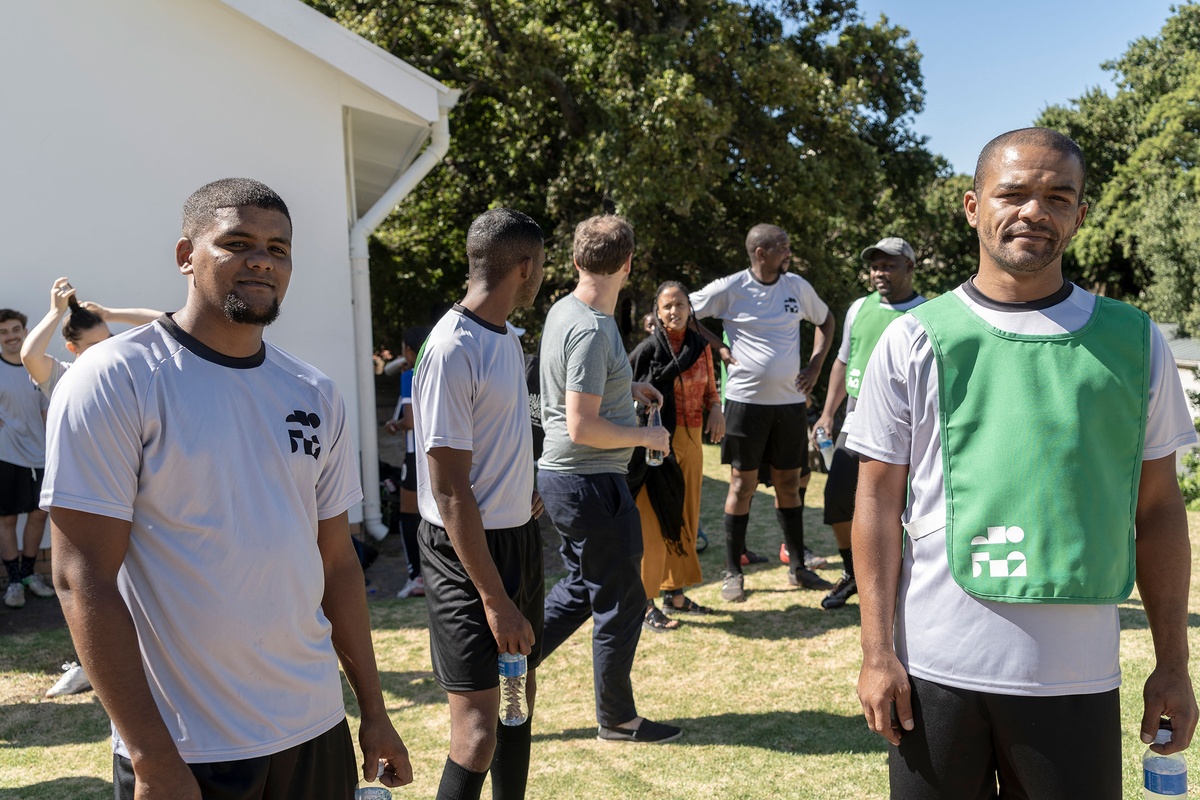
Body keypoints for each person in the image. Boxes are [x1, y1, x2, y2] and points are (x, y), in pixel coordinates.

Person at [853, 128, 1197, 798]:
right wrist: (876, 653)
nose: (1034, 211)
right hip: (935, 672)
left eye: (1057, 196)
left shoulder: (1135, 342)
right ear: (973, 206)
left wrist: (1174, 665)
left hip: (1075, 677)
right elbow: (876, 503)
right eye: (1013, 193)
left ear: (1080, 214)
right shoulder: (915, 338)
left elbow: (1158, 511)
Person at [42, 178, 411, 799]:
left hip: (314, 730)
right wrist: (151, 755)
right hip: (188, 748)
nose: (262, 259)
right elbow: (81, 577)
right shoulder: (114, 379)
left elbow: (337, 562)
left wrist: (372, 711)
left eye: (278, 248)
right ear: (186, 255)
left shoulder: (313, 393)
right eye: (237, 242)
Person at [412, 208, 546, 800]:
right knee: (476, 732)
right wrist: (494, 600)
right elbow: (447, 488)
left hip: (517, 538)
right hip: (464, 552)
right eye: (541, 265)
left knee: (518, 706)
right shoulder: (450, 347)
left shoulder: (508, 339)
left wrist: (524, 486)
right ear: (525, 267)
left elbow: (491, 444)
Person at [538, 214, 681, 744]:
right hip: (589, 481)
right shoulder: (594, 330)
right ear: (627, 264)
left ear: (576, 261)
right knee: (621, 600)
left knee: (582, 587)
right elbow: (580, 426)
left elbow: (578, 396)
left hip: (567, 481)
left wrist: (630, 390)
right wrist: (647, 438)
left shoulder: (565, 310)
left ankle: (498, 668)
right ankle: (618, 720)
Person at [20, 276, 162, 697]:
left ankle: (144, 661)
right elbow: (29, 354)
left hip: (131, 490)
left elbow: (162, 322)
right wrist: (55, 313)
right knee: (88, 581)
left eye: (110, 339)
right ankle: (90, 664)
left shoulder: (126, 373)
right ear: (73, 349)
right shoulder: (61, 375)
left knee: (134, 578)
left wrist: (111, 314)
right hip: (82, 497)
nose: (108, 347)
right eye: (96, 343)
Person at [690, 224, 837, 602]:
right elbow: (683, 312)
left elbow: (826, 320)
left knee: (790, 483)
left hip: (788, 405)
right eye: (782, 247)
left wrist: (815, 367)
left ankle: (797, 567)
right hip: (744, 404)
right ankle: (732, 572)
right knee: (742, 485)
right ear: (760, 252)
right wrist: (718, 347)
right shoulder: (731, 288)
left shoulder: (797, 287)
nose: (789, 253)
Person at [810, 238, 924, 611]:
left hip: (903, 419)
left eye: (889, 265)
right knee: (837, 500)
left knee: (899, 507)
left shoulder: (927, 313)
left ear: (909, 267)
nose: (879, 273)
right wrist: (828, 414)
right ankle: (853, 574)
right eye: (875, 266)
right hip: (857, 415)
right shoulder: (859, 307)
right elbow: (843, 361)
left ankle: (899, 586)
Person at [627, 281, 725, 631]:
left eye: (680, 305)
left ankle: (676, 593)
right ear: (657, 311)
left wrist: (716, 408)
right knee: (652, 522)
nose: (674, 311)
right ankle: (645, 602)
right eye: (667, 306)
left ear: (690, 309)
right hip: (656, 446)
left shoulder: (701, 348)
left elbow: (712, 391)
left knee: (684, 516)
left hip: (693, 438)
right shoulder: (646, 351)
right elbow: (623, 392)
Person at [0, 309, 55, 610]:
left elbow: (49, 412)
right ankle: (13, 583)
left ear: (24, 330)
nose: (10, 336)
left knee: (38, 515)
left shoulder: (36, 364)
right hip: (6, 455)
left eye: (15, 329)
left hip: (40, 454)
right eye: (4, 331)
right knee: (7, 518)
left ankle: (29, 575)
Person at [384, 325, 431, 599]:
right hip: (439, 453)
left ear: (410, 351)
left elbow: (412, 421)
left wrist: (396, 424)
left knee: (408, 517)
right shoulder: (439, 371)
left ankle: (417, 577)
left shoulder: (410, 376)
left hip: (415, 457)